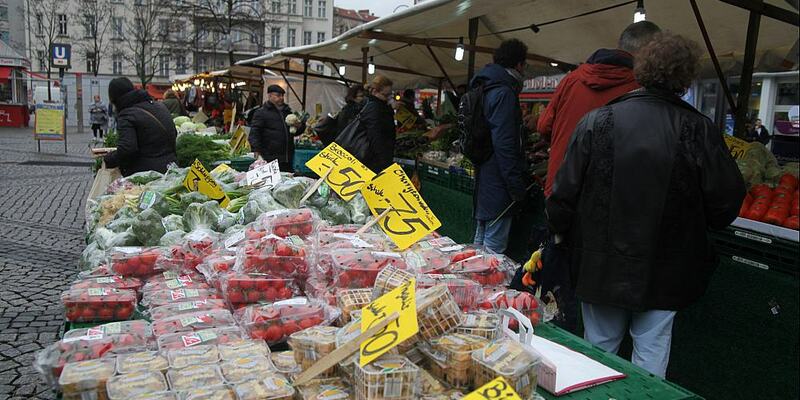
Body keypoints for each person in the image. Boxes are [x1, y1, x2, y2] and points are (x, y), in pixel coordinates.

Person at [546, 33, 746, 377]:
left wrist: (561, 235)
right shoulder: (698, 129)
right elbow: (726, 202)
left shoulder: (597, 121)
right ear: (685, 78)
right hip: (666, 267)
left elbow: (563, 194)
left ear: (642, 70)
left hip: (598, 263)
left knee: (598, 350)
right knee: (651, 355)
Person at [529, 21, 661, 333]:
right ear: (646, 52)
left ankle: (556, 331)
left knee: (559, 272)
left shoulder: (574, 78)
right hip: (603, 201)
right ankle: (580, 339)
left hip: (560, 189)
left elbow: (543, 127)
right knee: (589, 278)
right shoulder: (641, 88)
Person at [472, 38, 529, 254]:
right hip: (498, 180)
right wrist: (516, 188)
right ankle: (483, 287)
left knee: (479, 244)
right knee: (492, 253)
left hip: (484, 175)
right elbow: (505, 145)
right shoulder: (504, 92)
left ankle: (468, 285)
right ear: (519, 65)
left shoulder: (485, 86)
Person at [103, 77, 178, 176]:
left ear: (115, 99)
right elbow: (174, 133)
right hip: (171, 167)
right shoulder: (160, 106)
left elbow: (127, 148)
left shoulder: (127, 114)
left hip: (146, 174)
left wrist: (109, 159)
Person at [247, 84, 305, 171]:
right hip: (270, 156)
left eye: (282, 95)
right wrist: (256, 150)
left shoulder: (287, 112)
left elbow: (294, 132)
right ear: (270, 96)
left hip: (287, 157)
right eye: (278, 95)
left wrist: (300, 126)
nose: (281, 98)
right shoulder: (261, 113)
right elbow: (255, 133)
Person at [358, 75, 396, 173]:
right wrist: (384, 163)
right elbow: (375, 136)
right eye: (386, 95)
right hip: (373, 160)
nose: (389, 98)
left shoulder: (379, 106)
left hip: (375, 157)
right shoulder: (374, 108)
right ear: (375, 92)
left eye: (390, 95)